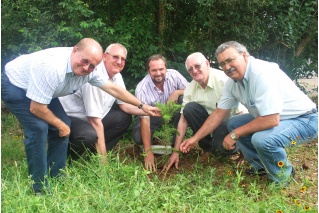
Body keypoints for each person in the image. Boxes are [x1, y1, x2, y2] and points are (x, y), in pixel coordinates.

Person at [1, 38, 159, 195]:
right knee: (39, 128)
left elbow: (114, 89)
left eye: (92, 66)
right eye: (84, 61)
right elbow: (37, 108)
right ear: (74, 50)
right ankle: (40, 187)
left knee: (63, 124)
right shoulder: (53, 67)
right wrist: (61, 125)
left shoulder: (90, 71)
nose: (86, 67)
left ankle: (56, 175)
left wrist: (142, 106)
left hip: (46, 89)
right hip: (16, 85)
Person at [180, 41, 318, 185]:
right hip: (280, 118)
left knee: (261, 139)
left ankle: (283, 176)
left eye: (230, 60)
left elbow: (271, 119)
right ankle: (261, 167)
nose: (226, 67)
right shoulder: (232, 83)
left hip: (304, 120)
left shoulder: (261, 73)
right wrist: (195, 139)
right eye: (222, 64)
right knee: (234, 122)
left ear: (244, 56)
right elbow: (218, 113)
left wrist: (235, 134)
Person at [59, 43, 160, 161]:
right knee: (88, 135)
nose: (119, 62)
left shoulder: (117, 76)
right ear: (105, 57)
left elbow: (124, 105)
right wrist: (104, 161)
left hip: (93, 118)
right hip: (71, 117)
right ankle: (68, 158)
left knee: (123, 118)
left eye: (123, 59)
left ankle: (92, 156)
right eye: (115, 57)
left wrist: (146, 110)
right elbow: (94, 121)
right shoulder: (93, 74)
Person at [163, 52, 247, 171]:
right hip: (210, 122)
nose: (194, 71)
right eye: (190, 69)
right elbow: (183, 121)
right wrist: (175, 152)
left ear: (207, 64)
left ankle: (239, 149)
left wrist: (245, 150)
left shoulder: (224, 81)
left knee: (220, 148)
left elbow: (243, 114)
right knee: (189, 109)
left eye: (197, 66)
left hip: (230, 122)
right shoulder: (190, 88)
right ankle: (207, 149)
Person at [132, 54, 189, 172]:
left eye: (161, 69)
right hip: (152, 116)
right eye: (154, 70)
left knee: (185, 100)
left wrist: (177, 92)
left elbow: (191, 91)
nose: (158, 73)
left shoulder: (175, 75)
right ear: (148, 71)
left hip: (173, 113)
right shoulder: (142, 88)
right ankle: (153, 144)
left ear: (166, 68)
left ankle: (175, 145)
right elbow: (144, 118)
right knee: (138, 138)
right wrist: (148, 152)